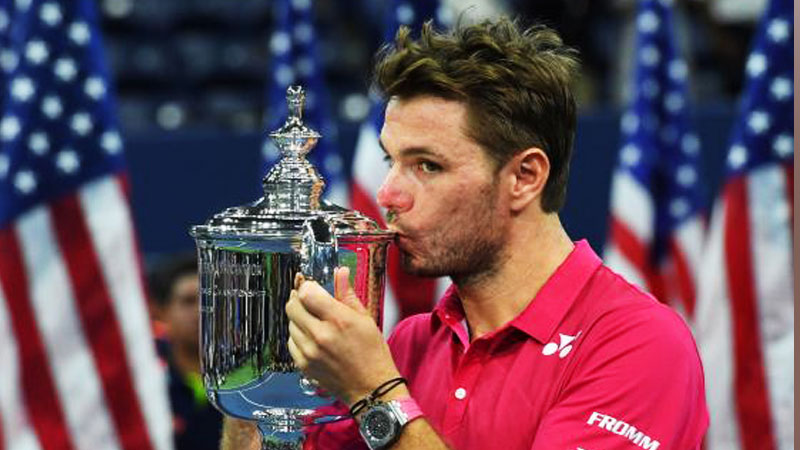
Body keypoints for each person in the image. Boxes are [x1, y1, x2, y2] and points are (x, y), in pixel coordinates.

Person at [223, 17, 708, 450]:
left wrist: (375, 394)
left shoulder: (638, 344)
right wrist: (256, 371)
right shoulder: (409, 344)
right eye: (392, 160)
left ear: (524, 177)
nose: (388, 194)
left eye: (427, 165)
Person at [149, 254, 224, 450]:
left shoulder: (249, 385)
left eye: (209, 299)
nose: (201, 311)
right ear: (161, 312)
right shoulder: (145, 382)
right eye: (188, 301)